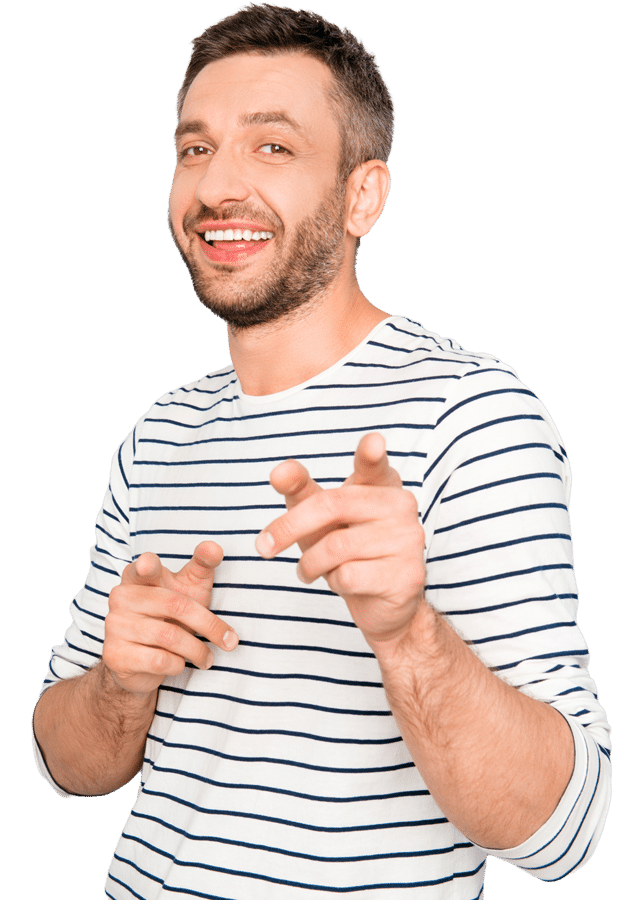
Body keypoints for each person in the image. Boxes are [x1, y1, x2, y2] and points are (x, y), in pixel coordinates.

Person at [32, 4, 611, 898]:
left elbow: (564, 835)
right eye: (195, 148)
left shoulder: (471, 415)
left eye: (273, 147)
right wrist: (119, 682)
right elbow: (63, 767)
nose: (218, 185)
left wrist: (407, 633)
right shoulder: (160, 435)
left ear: (362, 196)